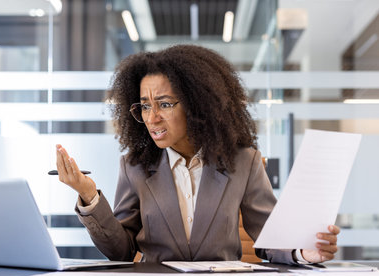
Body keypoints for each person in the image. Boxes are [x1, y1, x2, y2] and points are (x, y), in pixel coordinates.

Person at [56, 44, 339, 264]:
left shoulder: (243, 161)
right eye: (144, 106)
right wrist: (89, 195)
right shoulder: (135, 167)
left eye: (164, 105)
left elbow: (269, 237)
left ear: (197, 106)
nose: (152, 118)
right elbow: (120, 250)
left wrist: (303, 252)